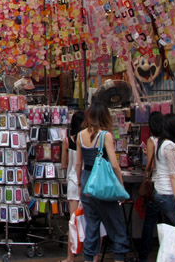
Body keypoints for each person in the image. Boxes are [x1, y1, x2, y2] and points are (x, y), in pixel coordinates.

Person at [76, 101, 129, 262]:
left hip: (87, 182)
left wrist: (79, 184)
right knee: (117, 226)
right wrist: (120, 185)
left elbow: (79, 163)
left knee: (91, 227)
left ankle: (88, 259)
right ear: (105, 117)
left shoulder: (80, 135)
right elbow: (114, 165)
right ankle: (119, 257)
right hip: (103, 184)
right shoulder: (105, 135)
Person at [138, 111, 165, 262]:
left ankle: (144, 256)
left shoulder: (152, 141)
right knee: (165, 222)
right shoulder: (169, 140)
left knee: (149, 223)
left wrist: (147, 159)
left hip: (155, 184)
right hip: (167, 188)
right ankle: (165, 253)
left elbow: (150, 165)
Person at [61, 110, 85, 262]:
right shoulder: (89, 139)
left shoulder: (67, 141)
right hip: (87, 181)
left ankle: (70, 257)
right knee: (89, 220)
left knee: (73, 220)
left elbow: (63, 164)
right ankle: (91, 256)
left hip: (72, 181)